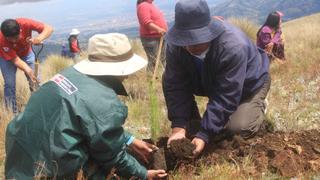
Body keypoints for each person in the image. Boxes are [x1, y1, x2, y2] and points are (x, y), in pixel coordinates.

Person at [5, 33, 167, 180]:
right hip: (52, 170)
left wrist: (130, 140)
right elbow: (111, 155)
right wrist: (143, 174)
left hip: (18, 160)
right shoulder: (105, 101)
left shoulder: (68, 74)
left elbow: (87, 120)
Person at [163, 0, 270, 157]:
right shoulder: (175, 46)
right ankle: (196, 123)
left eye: (196, 39)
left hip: (249, 84)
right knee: (168, 78)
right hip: (209, 81)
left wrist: (205, 134)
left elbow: (226, 95)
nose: (190, 46)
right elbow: (175, 85)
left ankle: (258, 105)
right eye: (186, 40)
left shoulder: (232, 47)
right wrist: (179, 126)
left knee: (239, 128)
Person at [0, 18, 53, 113]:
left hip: (26, 53)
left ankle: (39, 105)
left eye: (16, 38)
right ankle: (11, 112)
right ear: (5, 36)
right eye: (10, 40)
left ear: (20, 30)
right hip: (7, 58)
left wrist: (39, 38)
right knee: (9, 84)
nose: (14, 42)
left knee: (36, 80)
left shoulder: (25, 23)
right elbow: (15, 59)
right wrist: (28, 70)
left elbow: (49, 28)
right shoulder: (1, 39)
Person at [136, 0, 168, 71]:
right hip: (151, 38)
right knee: (154, 60)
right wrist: (159, 29)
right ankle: (151, 79)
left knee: (162, 59)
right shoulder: (143, 5)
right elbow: (145, 22)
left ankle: (161, 77)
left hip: (159, 36)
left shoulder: (149, 4)